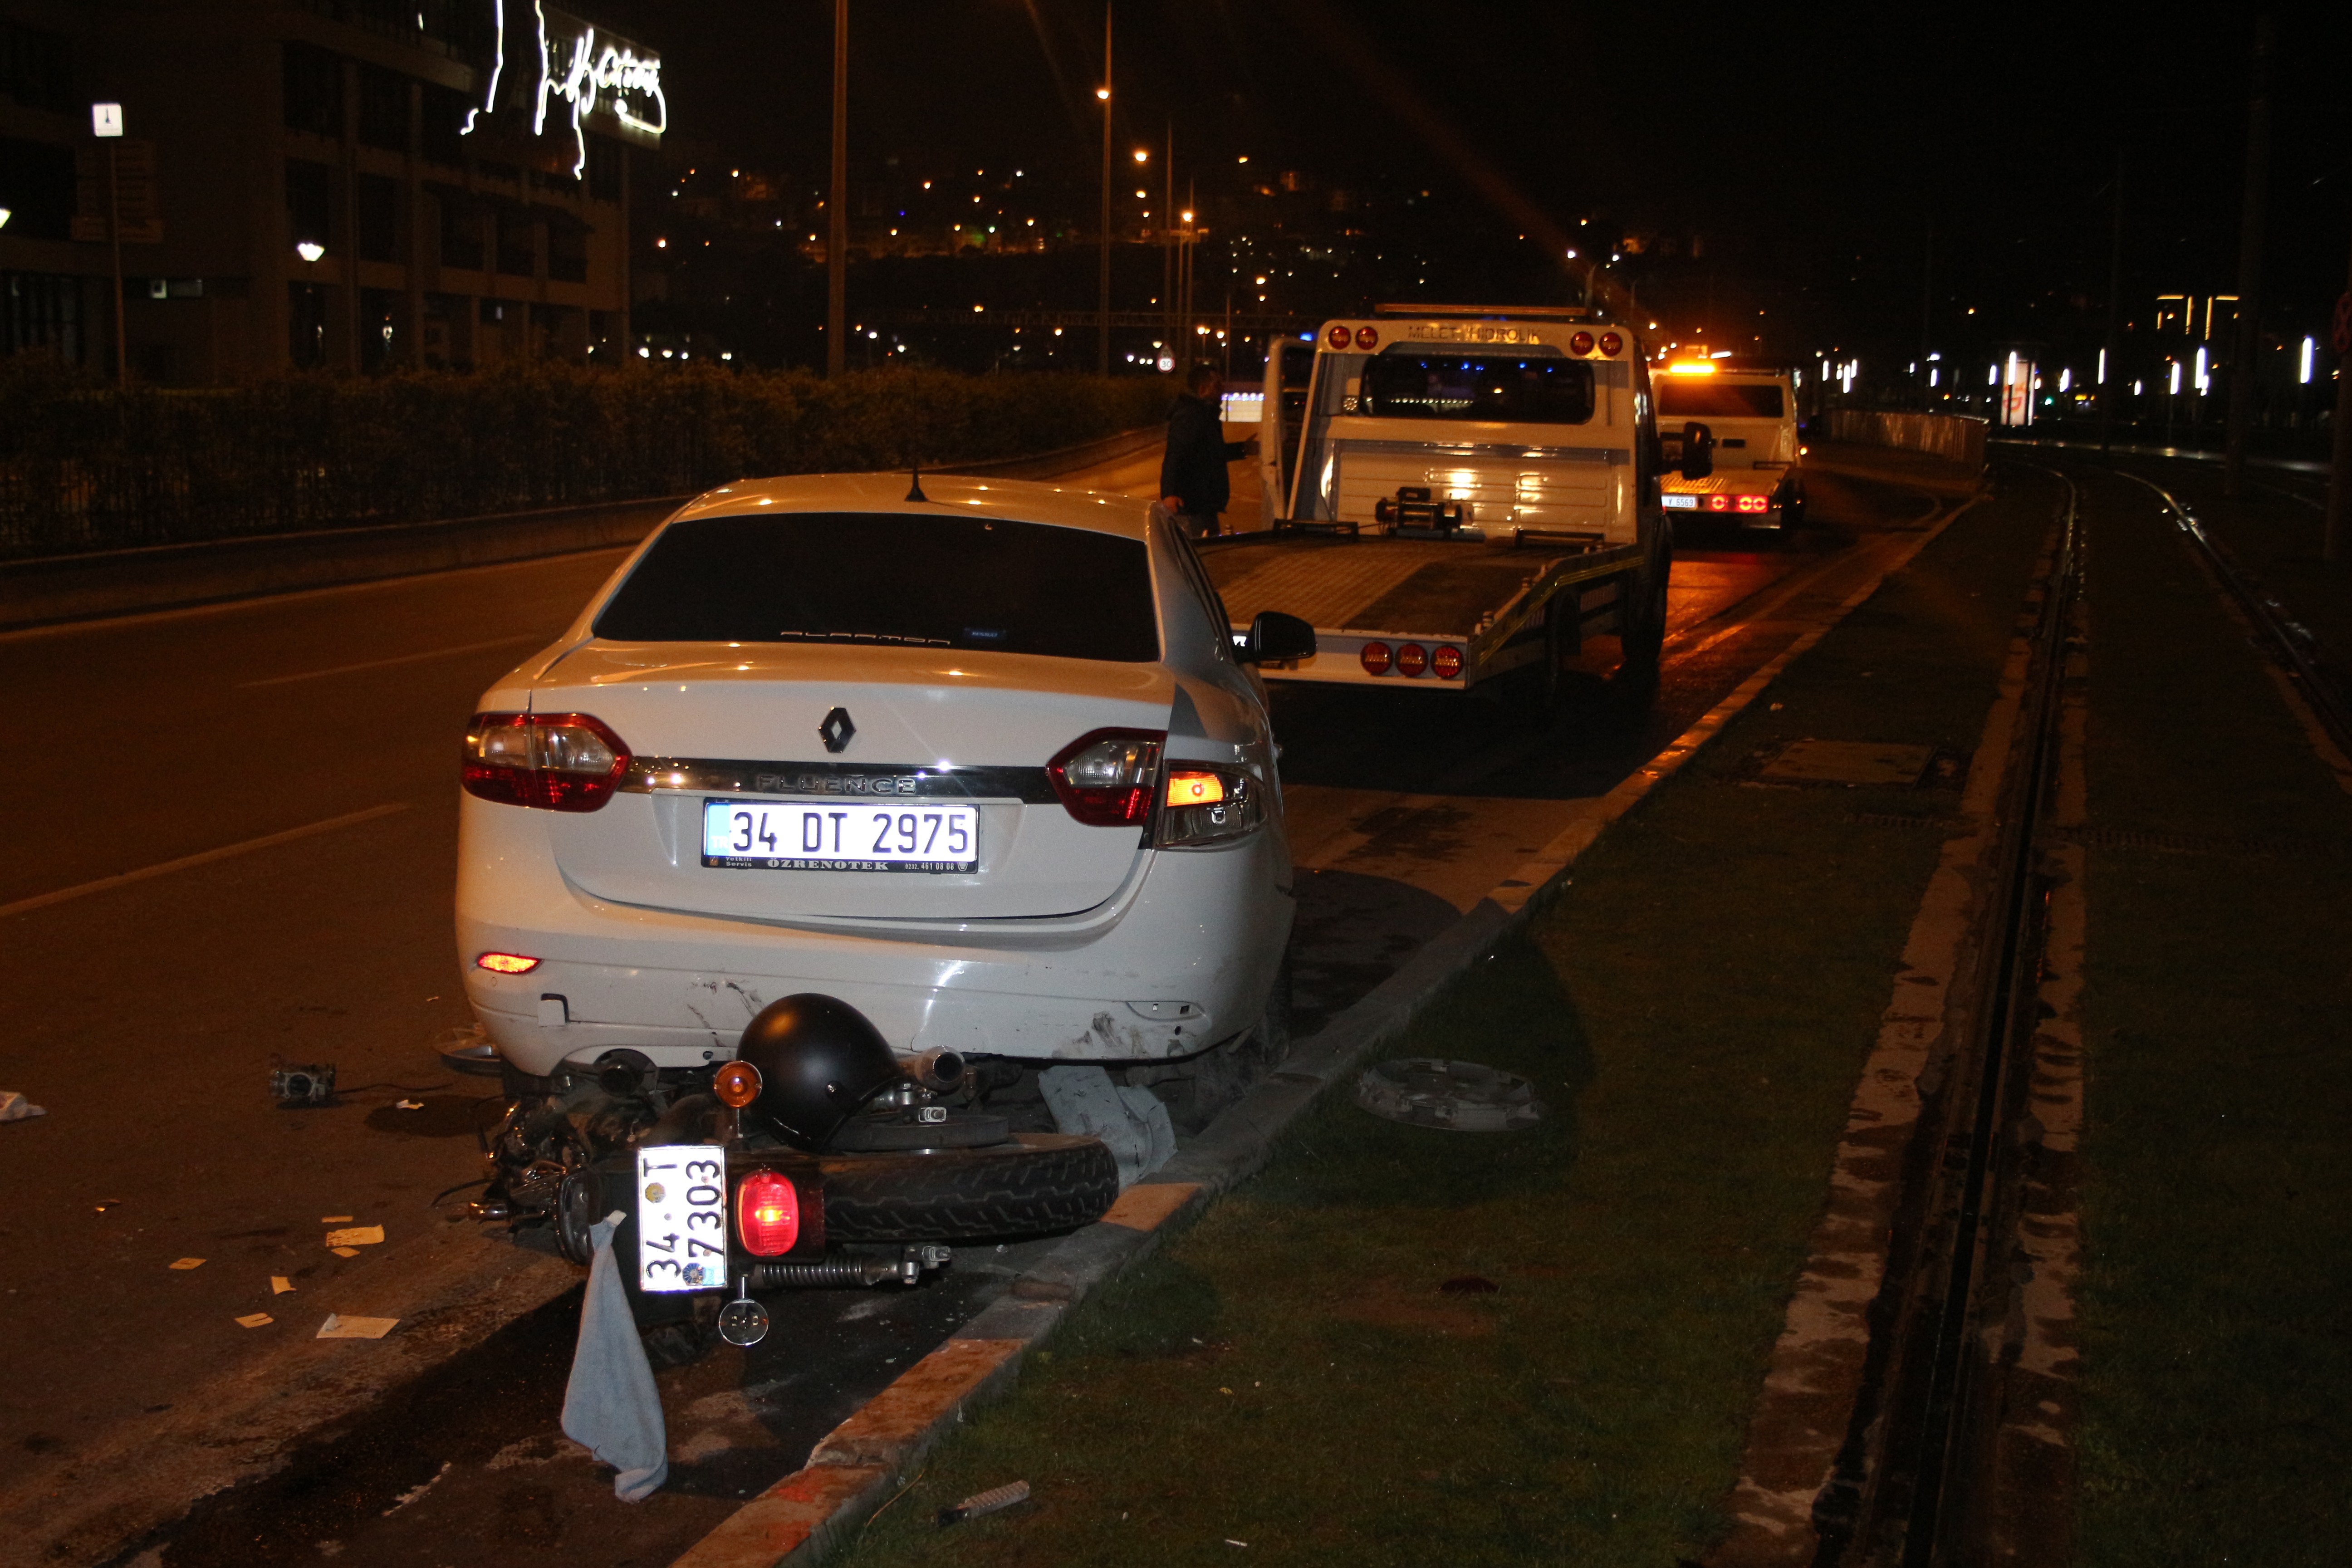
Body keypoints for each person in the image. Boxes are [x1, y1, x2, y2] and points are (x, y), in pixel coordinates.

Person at [1159, 363, 1258, 539]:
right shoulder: (1191, 416)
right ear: (1203, 389)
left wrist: (1243, 448)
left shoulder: (1205, 415)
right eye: (1218, 386)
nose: (1223, 390)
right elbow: (1175, 454)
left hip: (1204, 506)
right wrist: (1170, 493)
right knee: (1200, 553)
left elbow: (1210, 453)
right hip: (1192, 506)